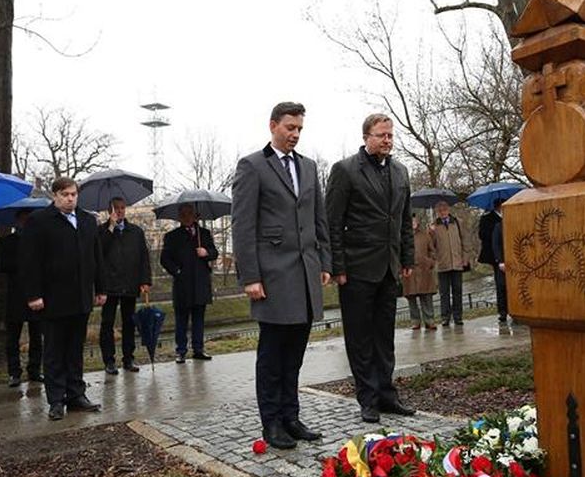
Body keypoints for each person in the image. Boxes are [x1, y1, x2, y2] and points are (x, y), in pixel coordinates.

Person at [231, 101, 331, 450]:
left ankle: (291, 416)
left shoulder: (308, 167)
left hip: (305, 275)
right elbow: (242, 226)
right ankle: (271, 423)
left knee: (295, 354)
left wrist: (326, 263)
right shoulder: (253, 167)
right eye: (290, 127)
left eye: (300, 128)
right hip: (272, 278)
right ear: (273, 125)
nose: (295, 134)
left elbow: (320, 219)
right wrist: (250, 276)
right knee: (272, 356)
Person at [326, 113, 415, 423]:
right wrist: (337, 265)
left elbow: (404, 219)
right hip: (356, 268)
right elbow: (333, 222)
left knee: (384, 336)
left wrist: (406, 258)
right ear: (366, 137)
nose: (387, 140)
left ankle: (387, 394)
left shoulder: (401, 172)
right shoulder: (346, 170)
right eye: (381, 135)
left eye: (390, 135)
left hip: (389, 268)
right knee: (360, 338)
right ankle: (368, 399)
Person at [20, 177, 107, 421]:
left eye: (74, 194)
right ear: (55, 195)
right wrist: (33, 294)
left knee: (75, 349)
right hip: (52, 298)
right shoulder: (39, 221)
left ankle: (76, 394)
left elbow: (96, 257)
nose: (70, 198)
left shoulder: (88, 220)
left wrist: (101, 288)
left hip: (81, 296)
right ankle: (56, 399)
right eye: (65, 194)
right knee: (54, 350)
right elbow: (30, 261)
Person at [98, 197, 151, 374]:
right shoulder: (102, 231)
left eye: (122, 208)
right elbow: (99, 252)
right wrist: (111, 228)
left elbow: (144, 257)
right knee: (107, 323)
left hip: (130, 283)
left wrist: (145, 280)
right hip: (109, 285)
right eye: (115, 208)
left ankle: (128, 358)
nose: (119, 211)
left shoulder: (135, 232)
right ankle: (109, 361)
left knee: (129, 322)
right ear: (109, 211)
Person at [160, 203, 218, 363]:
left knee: (199, 319)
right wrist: (177, 272)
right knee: (181, 320)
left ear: (195, 216)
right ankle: (181, 351)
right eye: (183, 214)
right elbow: (164, 259)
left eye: (189, 214)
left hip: (200, 283)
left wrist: (206, 252)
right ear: (179, 217)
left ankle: (198, 349)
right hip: (182, 285)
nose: (187, 217)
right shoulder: (172, 236)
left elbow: (214, 253)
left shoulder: (204, 234)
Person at [0, 208, 43, 386]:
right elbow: (1, 266)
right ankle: (14, 372)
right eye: (23, 220)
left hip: (36, 293)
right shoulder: (7, 242)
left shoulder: (39, 242)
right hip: (15, 294)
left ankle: (35, 369)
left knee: (37, 335)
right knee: (12, 336)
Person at [430, 200, 468, 326]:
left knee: (457, 291)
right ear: (437, 212)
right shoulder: (433, 226)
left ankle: (458, 317)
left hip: (457, 263)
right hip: (442, 265)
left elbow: (464, 241)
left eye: (444, 210)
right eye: (440, 211)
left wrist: (465, 258)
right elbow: (431, 246)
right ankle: (445, 317)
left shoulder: (457, 222)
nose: (442, 213)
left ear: (448, 210)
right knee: (444, 293)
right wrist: (431, 233)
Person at [403, 214, 437, 331]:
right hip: (409, 271)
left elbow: (432, 251)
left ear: (417, 222)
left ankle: (430, 321)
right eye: (410, 221)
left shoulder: (425, 235)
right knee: (411, 298)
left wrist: (430, 262)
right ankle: (415, 321)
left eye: (414, 221)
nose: (412, 223)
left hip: (424, 270)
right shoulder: (402, 236)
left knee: (426, 297)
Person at [478, 199, 508, 323]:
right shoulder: (487, 219)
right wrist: (496, 230)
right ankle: (502, 311)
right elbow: (482, 235)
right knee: (500, 284)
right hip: (496, 255)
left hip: (510, 254)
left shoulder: (510, 215)